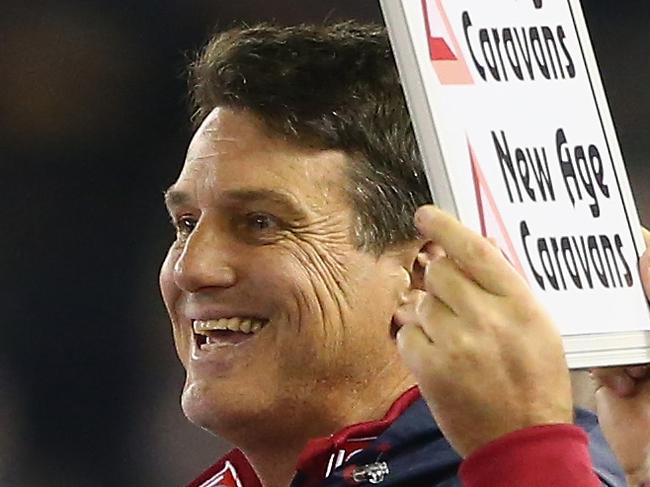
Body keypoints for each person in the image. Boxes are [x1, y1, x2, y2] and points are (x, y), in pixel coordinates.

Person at [159, 22, 624, 486]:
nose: (191, 268)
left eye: (260, 223)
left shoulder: (555, 474)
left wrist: (527, 458)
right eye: (186, 224)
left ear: (423, 273)